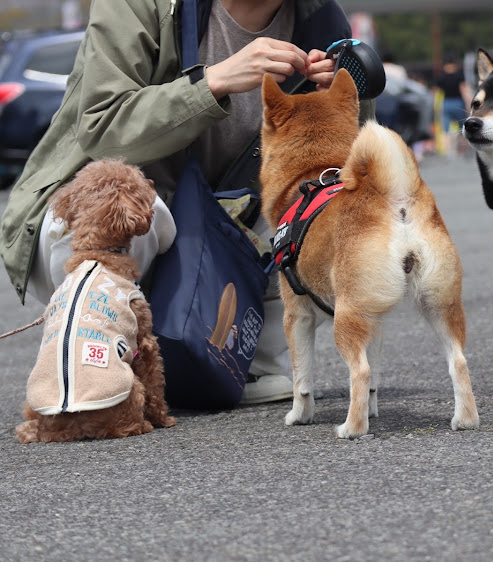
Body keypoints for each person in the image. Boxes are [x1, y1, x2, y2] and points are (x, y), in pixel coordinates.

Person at [0, 0, 372, 405]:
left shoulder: (320, 19)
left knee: (310, 198)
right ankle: (90, 366)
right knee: (125, 195)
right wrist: (213, 82)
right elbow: (102, 126)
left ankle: (245, 360)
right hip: (96, 221)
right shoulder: (140, 5)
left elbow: (356, 155)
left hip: (223, 230)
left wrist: (339, 96)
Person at [435, 52, 470, 156]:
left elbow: (436, 93)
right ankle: (463, 150)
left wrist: (436, 107)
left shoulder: (441, 77)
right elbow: (464, 90)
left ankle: (448, 151)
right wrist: (468, 104)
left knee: (446, 129)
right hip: (458, 103)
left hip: (446, 104)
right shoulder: (459, 75)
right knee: (462, 128)